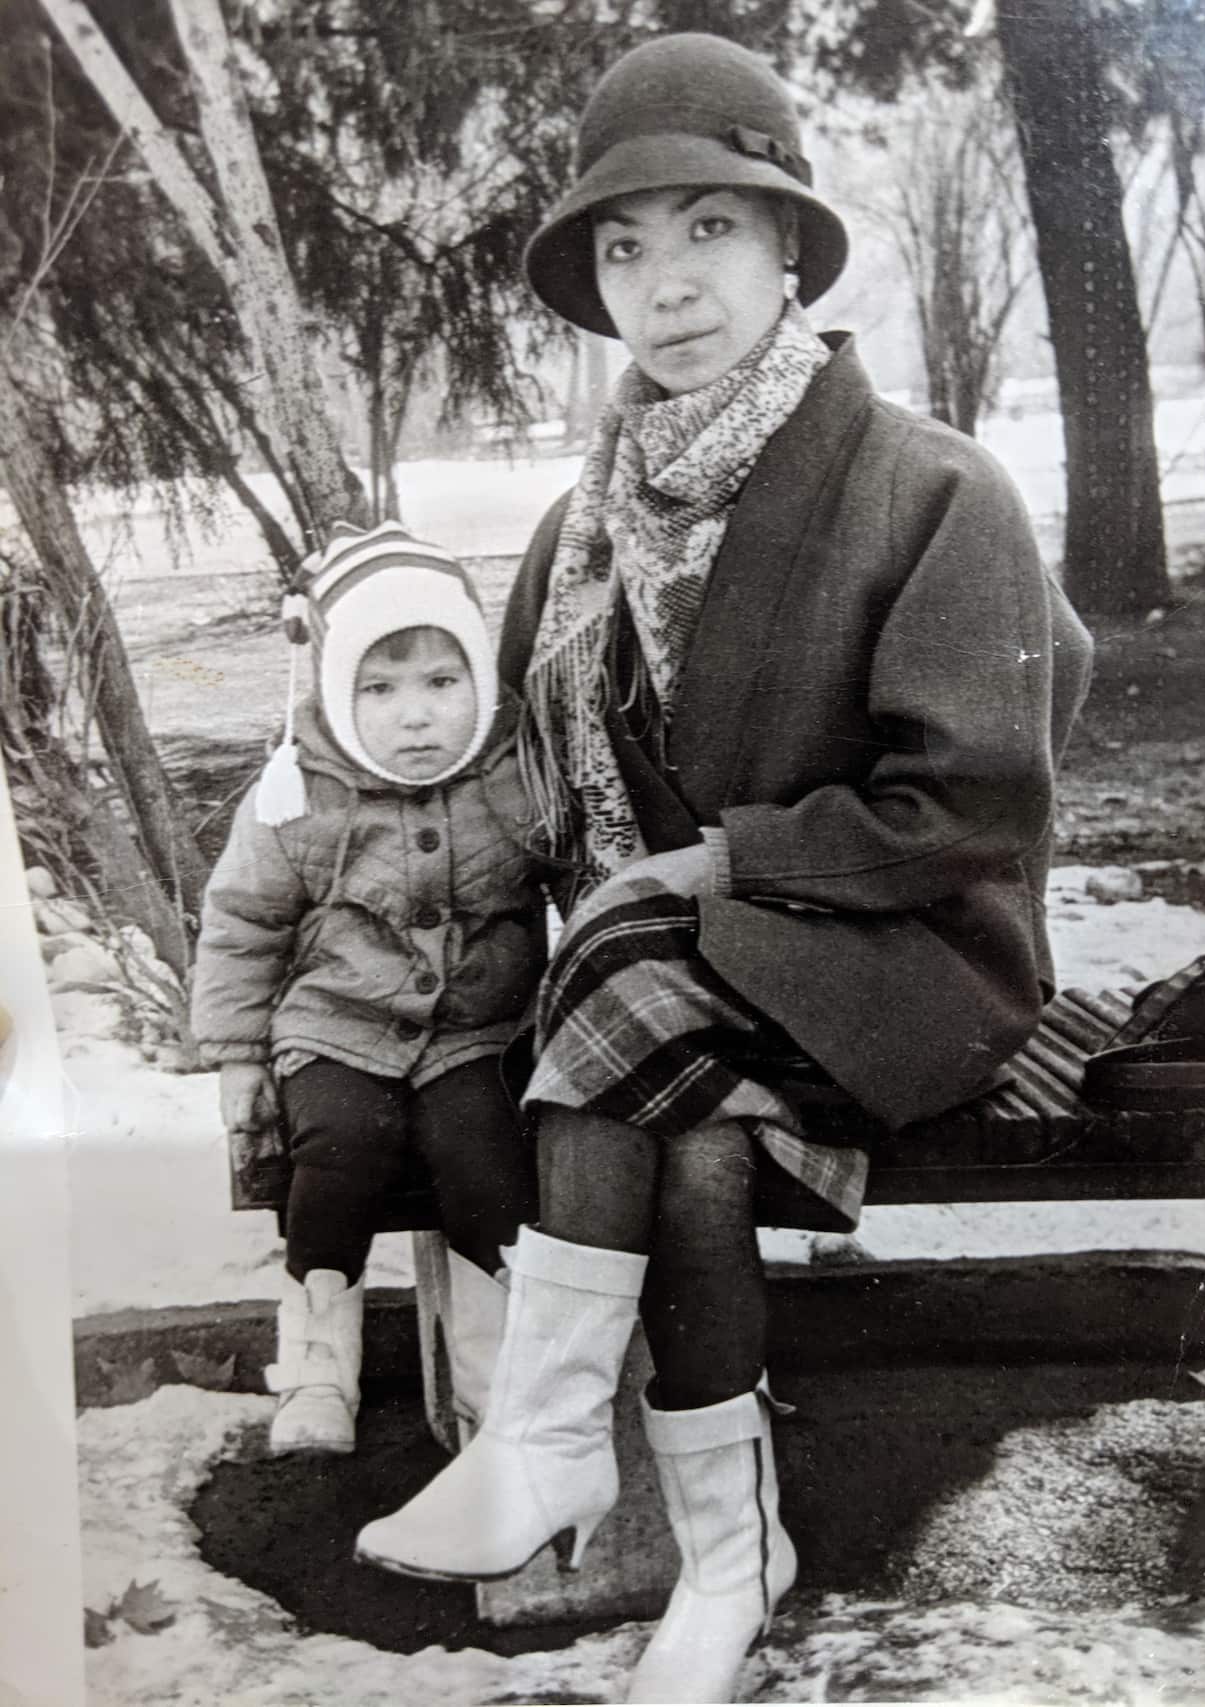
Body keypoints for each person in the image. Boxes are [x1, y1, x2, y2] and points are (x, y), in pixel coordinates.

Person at [355, 32, 1094, 1704]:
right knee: (671, 1123)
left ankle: (549, 1442)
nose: (665, 284)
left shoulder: (931, 487)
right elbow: (533, 803)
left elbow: (974, 806)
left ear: (785, 249)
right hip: (674, 1009)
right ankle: (728, 1553)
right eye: (626, 247)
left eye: (706, 231)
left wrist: (711, 869)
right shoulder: (578, 526)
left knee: (620, 954)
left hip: (905, 957)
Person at [191, 520, 541, 1458]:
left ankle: (494, 1381)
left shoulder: (515, 774)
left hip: (474, 1029)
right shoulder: (299, 791)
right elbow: (242, 923)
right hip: (335, 1025)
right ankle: (316, 1361)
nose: (415, 715)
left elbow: (570, 875)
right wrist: (235, 1056)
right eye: (378, 689)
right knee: (341, 1147)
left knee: (485, 1162)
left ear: (480, 677)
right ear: (339, 697)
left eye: (441, 680)